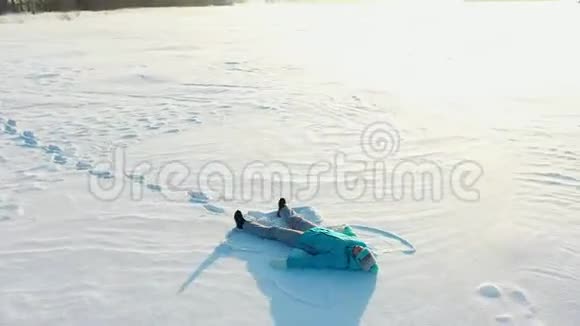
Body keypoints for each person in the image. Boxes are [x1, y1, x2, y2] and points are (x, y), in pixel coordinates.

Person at [233, 198, 379, 273]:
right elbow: (351, 237)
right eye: (362, 248)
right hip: (318, 232)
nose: (359, 247)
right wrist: (346, 230)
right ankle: (283, 210)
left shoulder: (339, 260)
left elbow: (314, 262)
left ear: (356, 259)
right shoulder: (359, 245)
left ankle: (243, 225)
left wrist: (289, 263)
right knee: (296, 220)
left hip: (305, 241)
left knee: (275, 232)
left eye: (359, 251)